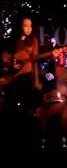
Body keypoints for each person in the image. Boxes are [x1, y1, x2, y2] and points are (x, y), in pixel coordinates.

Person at [0, 17, 61, 149]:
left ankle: (32, 140)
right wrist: (12, 65)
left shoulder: (33, 41)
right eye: (25, 26)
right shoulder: (11, 41)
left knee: (32, 106)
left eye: (30, 26)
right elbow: (6, 58)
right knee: (14, 109)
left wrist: (51, 55)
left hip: (29, 77)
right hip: (15, 79)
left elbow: (35, 60)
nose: (28, 28)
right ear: (20, 27)